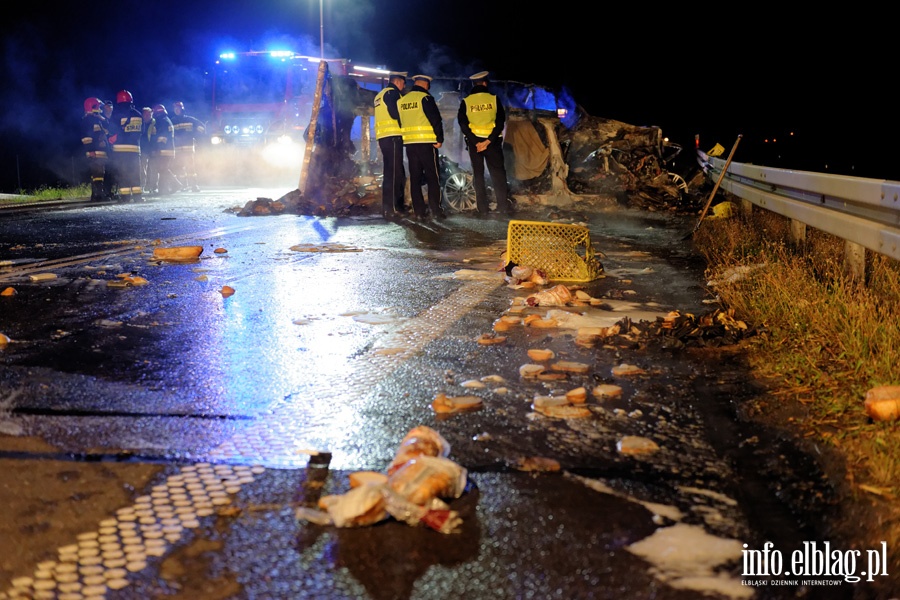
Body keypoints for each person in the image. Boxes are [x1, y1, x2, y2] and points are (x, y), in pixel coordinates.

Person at [458, 71, 512, 214]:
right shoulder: (494, 99)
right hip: (492, 143)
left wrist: (476, 142)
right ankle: (502, 207)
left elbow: (463, 124)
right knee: (498, 174)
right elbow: (500, 122)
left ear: (473, 84)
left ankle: (482, 209)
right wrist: (488, 141)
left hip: (474, 145)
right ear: (485, 83)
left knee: (478, 175)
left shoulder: (466, 101)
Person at [397, 74, 445, 220]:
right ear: (426, 85)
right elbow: (436, 119)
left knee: (415, 178)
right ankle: (435, 210)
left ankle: (419, 212)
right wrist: (439, 139)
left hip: (410, 145)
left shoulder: (402, 100)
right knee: (433, 177)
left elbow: (400, 121)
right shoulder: (425, 98)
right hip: (427, 143)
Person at [373, 71, 408, 218]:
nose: (404, 86)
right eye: (403, 83)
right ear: (398, 82)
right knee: (395, 174)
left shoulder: (379, 95)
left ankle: (389, 208)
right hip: (393, 137)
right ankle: (392, 209)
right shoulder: (393, 94)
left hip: (384, 138)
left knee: (390, 173)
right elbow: (396, 114)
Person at [108, 90, 144, 202]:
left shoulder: (116, 115)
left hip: (120, 150)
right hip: (134, 149)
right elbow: (141, 132)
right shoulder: (138, 114)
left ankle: (125, 197)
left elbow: (111, 130)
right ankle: (138, 196)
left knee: (123, 173)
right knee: (135, 172)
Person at [146, 104, 181, 195]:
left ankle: (174, 185)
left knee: (163, 169)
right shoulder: (166, 120)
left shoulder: (162, 122)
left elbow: (161, 138)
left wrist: (155, 149)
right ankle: (164, 189)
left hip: (163, 150)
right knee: (163, 169)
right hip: (168, 150)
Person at [170, 101, 206, 192]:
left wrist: (195, 135)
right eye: (175, 109)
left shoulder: (190, 120)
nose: (176, 110)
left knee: (191, 168)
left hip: (188, 148)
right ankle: (183, 185)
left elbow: (202, 128)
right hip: (177, 149)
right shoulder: (172, 121)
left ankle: (194, 185)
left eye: (178, 109)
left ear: (182, 109)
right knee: (179, 168)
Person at [81, 97, 110, 201]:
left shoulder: (97, 120)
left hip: (99, 152)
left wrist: (102, 117)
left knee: (99, 174)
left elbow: (107, 128)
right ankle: (98, 195)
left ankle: (96, 195)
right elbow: (86, 138)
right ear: (93, 107)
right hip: (95, 152)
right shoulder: (88, 120)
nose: (100, 108)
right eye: (98, 106)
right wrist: (91, 150)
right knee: (97, 174)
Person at [139, 107, 154, 191]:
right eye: (145, 114)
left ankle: (152, 186)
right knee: (142, 168)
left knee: (152, 169)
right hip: (143, 149)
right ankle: (143, 185)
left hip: (152, 149)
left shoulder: (154, 123)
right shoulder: (140, 123)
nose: (147, 116)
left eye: (149, 114)